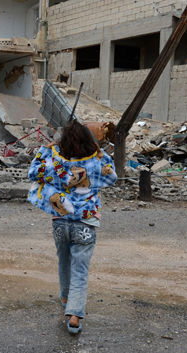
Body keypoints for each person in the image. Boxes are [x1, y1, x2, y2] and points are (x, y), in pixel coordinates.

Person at [27, 120, 117, 334]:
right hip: (86, 223)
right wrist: (99, 152)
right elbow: (112, 176)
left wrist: (44, 150)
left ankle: (66, 298)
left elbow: (33, 172)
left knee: (64, 262)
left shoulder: (54, 164)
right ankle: (74, 314)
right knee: (80, 269)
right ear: (89, 141)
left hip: (60, 222)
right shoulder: (96, 163)